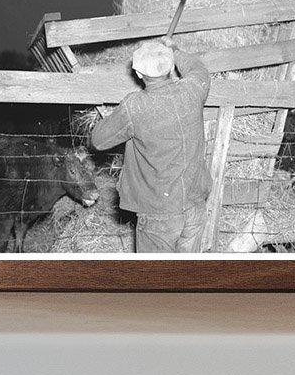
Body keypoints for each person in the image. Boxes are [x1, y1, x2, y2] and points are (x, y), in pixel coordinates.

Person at [90, 36, 212, 253]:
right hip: (195, 206)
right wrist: (174, 49)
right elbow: (198, 68)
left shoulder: (135, 106)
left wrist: (117, 117)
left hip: (159, 214)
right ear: (171, 66)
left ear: (138, 73)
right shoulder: (193, 90)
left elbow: (98, 140)